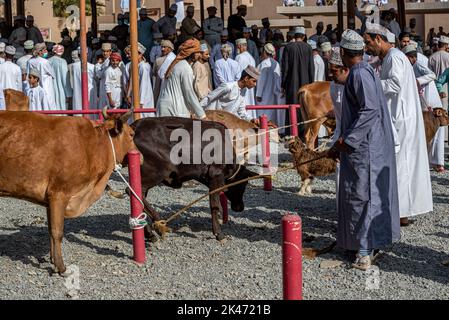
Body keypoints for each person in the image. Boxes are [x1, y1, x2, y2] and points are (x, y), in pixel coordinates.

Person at [329, 29, 400, 271]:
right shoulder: (365, 70)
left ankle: (365, 250)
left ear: (342, 52)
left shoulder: (359, 74)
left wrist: (347, 140)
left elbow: (369, 111)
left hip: (365, 147)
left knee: (364, 196)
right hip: (366, 145)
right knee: (361, 195)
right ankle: (361, 243)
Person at [363, 23, 433, 226]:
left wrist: (371, 83)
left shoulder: (394, 57)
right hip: (401, 117)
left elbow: (394, 85)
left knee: (402, 166)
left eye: (368, 42)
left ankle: (400, 212)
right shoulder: (392, 57)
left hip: (401, 120)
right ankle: (400, 210)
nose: (367, 48)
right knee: (402, 165)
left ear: (378, 39)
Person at [403, 44, 446, 173]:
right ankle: (428, 161)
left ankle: (438, 162)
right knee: (427, 131)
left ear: (411, 57)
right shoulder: (412, 66)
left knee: (435, 131)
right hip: (425, 100)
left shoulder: (418, 64)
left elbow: (432, 75)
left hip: (430, 100)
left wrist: (418, 81)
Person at [156, 38, 206, 119]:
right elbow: (189, 93)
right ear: (191, 53)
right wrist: (201, 115)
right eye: (198, 52)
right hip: (173, 109)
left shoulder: (178, 64)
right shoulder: (185, 68)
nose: (200, 55)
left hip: (166, 107)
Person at [281, 26, 314, 133]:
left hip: (291, 84)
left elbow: (285, 68)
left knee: (292, 107)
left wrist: (283, 85)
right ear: (304, 36)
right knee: (305, 108)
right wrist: (311, 85)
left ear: (294, 36)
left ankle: (292, 132)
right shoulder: (308, 48)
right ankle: (304, 133)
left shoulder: (288, 47)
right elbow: (311, 69)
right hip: (306, 85)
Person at [256, 43, 283, 126]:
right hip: (273, 93)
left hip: (263, 95)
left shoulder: (263, 64)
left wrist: (258, 94)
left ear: (264, 52)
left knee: (263, 113)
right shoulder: (276, 63)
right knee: (271, 113)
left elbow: (261, 81)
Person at [126, 43, 154, 118]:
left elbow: (144, 84)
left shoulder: (143, 66)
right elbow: (131, 81)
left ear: (140, 54)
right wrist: (128, 95)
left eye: (129, 54)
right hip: (136, 97)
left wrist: (141, 101)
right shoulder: (134, 65)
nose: (127, 56)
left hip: (143, 98)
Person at [27, 42, 56, 109]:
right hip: (46, 87)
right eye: (44, 50)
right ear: (40, 52)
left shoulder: (30, 61)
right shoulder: (45, 62)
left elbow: (28, 74)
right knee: (47, 105)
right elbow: (52, 74)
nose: (45, 52)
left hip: (34, 87)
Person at [235, 38, 256, 118]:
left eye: (237, 47)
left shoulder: (239, 57)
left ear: (240, 46)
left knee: (242, 106)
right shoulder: (251, 57)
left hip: (243, 85)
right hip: (250, 86)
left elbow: (237, 74)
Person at [429, 35, 449, 110]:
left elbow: (429, 74)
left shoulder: (431, 57)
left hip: (434, 87)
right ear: (446, 45)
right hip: (445, 87)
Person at [49, 45, 72, 110]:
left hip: (50, 89)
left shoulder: (48, 61)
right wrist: (68, 93)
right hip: (61, 89)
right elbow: (65, 79)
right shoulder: (62, 61)